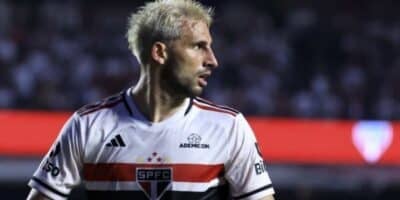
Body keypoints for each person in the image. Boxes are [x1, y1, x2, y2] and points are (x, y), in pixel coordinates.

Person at [26, 0, 275, 199]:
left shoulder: (229, 127)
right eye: (199, 46)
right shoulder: (87, 126)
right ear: (160, 52)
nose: (212, 60)